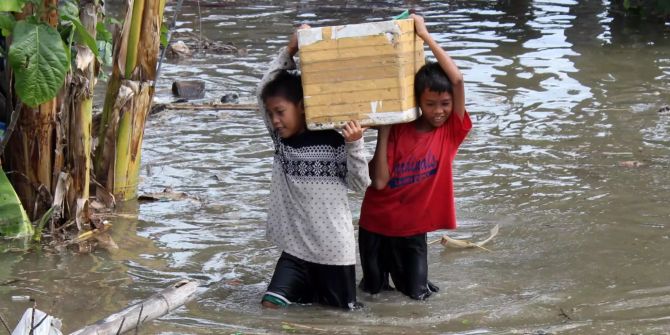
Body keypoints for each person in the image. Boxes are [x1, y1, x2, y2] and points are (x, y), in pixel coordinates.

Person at [357, 14, 472, 300]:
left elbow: (456, 80)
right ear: (418, 102)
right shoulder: (398, 128)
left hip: (412, 232)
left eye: (445, 104)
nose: (438, 111)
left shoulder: (450, 132)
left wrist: (425, 35)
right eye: (430, 104)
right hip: (376, 226)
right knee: (374, 292)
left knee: (418, 297)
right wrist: (384, 129)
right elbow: (380, 183)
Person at [256, 25, 371, 310]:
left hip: (334, 252)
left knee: (339, 319)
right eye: (271, 115)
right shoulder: (281, 142)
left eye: (280, 112)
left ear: (303, 107)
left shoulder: (336, 139)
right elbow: (263, 91)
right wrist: (291, 48)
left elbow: (361, 184)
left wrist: (355, 144)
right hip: (295, 251)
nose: (275, 120)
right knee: (270, 307)